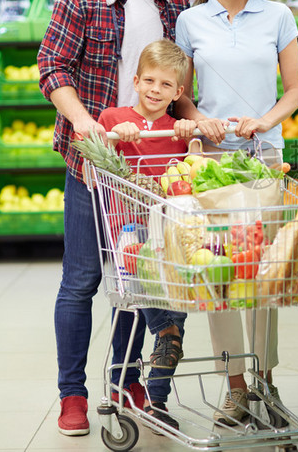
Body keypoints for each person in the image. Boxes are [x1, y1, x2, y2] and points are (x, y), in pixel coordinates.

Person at [37, 0, 190, 437]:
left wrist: (194, 128)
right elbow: (52, 67)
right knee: (82, 279)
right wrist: (84, 123)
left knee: (139, 276)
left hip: (154, 171)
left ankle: (127, 379)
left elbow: (182, 79)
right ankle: (72, 395)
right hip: (94, 165)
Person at [173, 0, 298, 427]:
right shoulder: (191, 21)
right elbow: (182, 93)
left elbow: (294, 90)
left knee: (263, 277)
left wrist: (265, 121)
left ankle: (265, 379)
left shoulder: (277, 16)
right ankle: (234, 387)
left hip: (264, 158)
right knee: (219, 275)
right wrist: (198, 119)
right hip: (210, 164)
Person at [98, 39, 196, 429]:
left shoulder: (177, 130)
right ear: (135, 81)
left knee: (179, 308)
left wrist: (194, 137)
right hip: (131, 233)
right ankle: (165, 333)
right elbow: (96, 157)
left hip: (171, 235)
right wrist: (115, 136)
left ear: (179, 92)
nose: (156, 90)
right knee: (165, 316)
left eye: (166, 85)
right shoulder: (113, 118)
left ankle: (157, 402)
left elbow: (196, 175)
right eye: (149, 81)